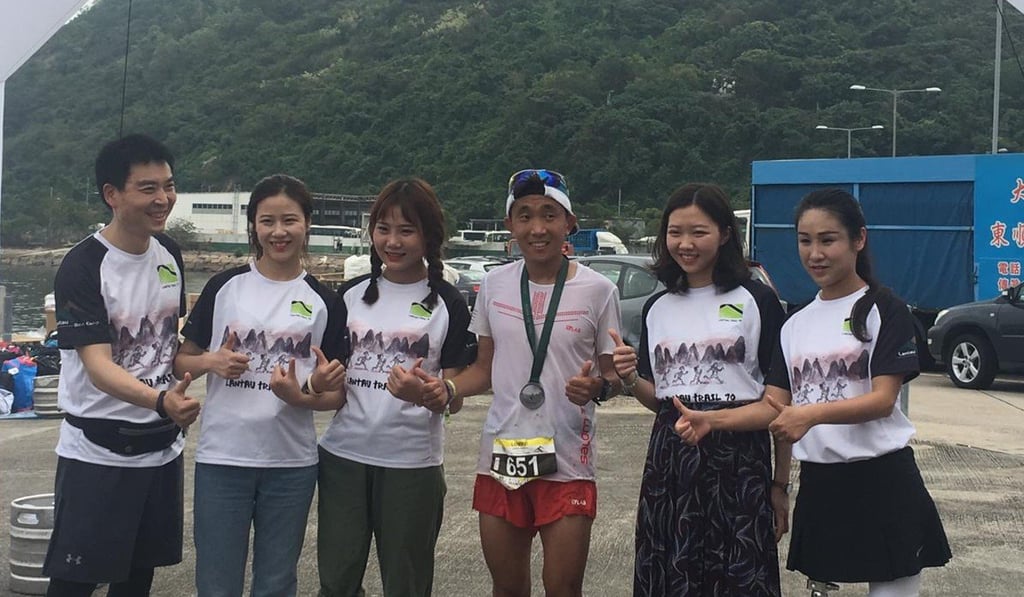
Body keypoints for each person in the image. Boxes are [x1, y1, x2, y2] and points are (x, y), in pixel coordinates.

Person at [675, 188, 952, 596]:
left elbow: (882, 400)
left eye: (828, 240)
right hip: (822, 486)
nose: (815, 253)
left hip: (885, 481)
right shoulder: (795, 324)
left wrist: (812, 414)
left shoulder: (884, 308)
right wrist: (713, 421)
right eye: (805, 241)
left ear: (858, 239)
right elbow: (775, 409)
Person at [418, 169, 622, 597]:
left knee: (562, 587)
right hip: (501, 455)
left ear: (569, 222)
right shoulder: (494, 285)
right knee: (508, 588)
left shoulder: (599, 290)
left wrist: (598, 387)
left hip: (568, 460)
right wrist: (449, 389)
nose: (538, 228)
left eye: (549, 214)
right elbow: (484, 370)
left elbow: (612, 375)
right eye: (524, 215)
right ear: (510, 225)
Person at [609, 183, 789, 596]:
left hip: (739, 459)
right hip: (672, 459)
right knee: (670, 573)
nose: (685, 244)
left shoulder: (757, 300)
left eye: (699, 232)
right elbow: (660, 401)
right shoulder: (658, 307)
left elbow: (779, 404)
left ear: (725, 234)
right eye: (675, 232)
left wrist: (780, 486)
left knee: (740, 577)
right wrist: (628, 378)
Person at [174, 174, 347, 597]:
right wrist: (211, 361)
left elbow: (335, 394)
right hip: (222, 459)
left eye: (290, 220)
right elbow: (181, 359)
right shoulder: (224, 287)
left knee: (275, 581)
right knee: (216, 581)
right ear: (253, 225)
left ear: (307, 223)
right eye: (266, 221)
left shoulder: (325, 300)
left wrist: (302, 394)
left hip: (290, 465)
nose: (278, 232)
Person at [43, 134, 201, 597]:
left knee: (137, 577)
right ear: (112, 194)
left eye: (169, 186)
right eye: (147, 188)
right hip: (99, 450)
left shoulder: (169, 252)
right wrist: (160, 400)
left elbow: (164, 343)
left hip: (160, 448)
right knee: (74, 582)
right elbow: (97, 365)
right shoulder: (83, 265)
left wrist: (208, 360)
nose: (163, 199)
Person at [313, 178, 476, 597]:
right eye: (383, 228)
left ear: (429, 235)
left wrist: (435, 393)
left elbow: (454, 391)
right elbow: (328, 381)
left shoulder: (448, 304)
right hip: (343, 457)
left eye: (406, 230)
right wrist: (313, 386)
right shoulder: (349, 297)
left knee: (407, 582)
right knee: (336, 579)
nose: (393, 241)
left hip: (412, 465)